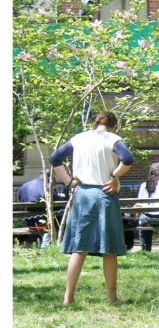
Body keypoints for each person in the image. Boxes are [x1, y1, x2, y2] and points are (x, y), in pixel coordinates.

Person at [49, 109, 134, 304]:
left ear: (94, 124)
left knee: (79, 248)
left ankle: (68, 298)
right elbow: (128, 159)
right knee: (109, 248)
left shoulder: (79, 138)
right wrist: (114, 177)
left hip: (83, 195)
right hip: (105, 194)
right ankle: (112, 297)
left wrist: (69, 181)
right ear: (114, 126)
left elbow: (55, 159)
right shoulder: (113, 138)